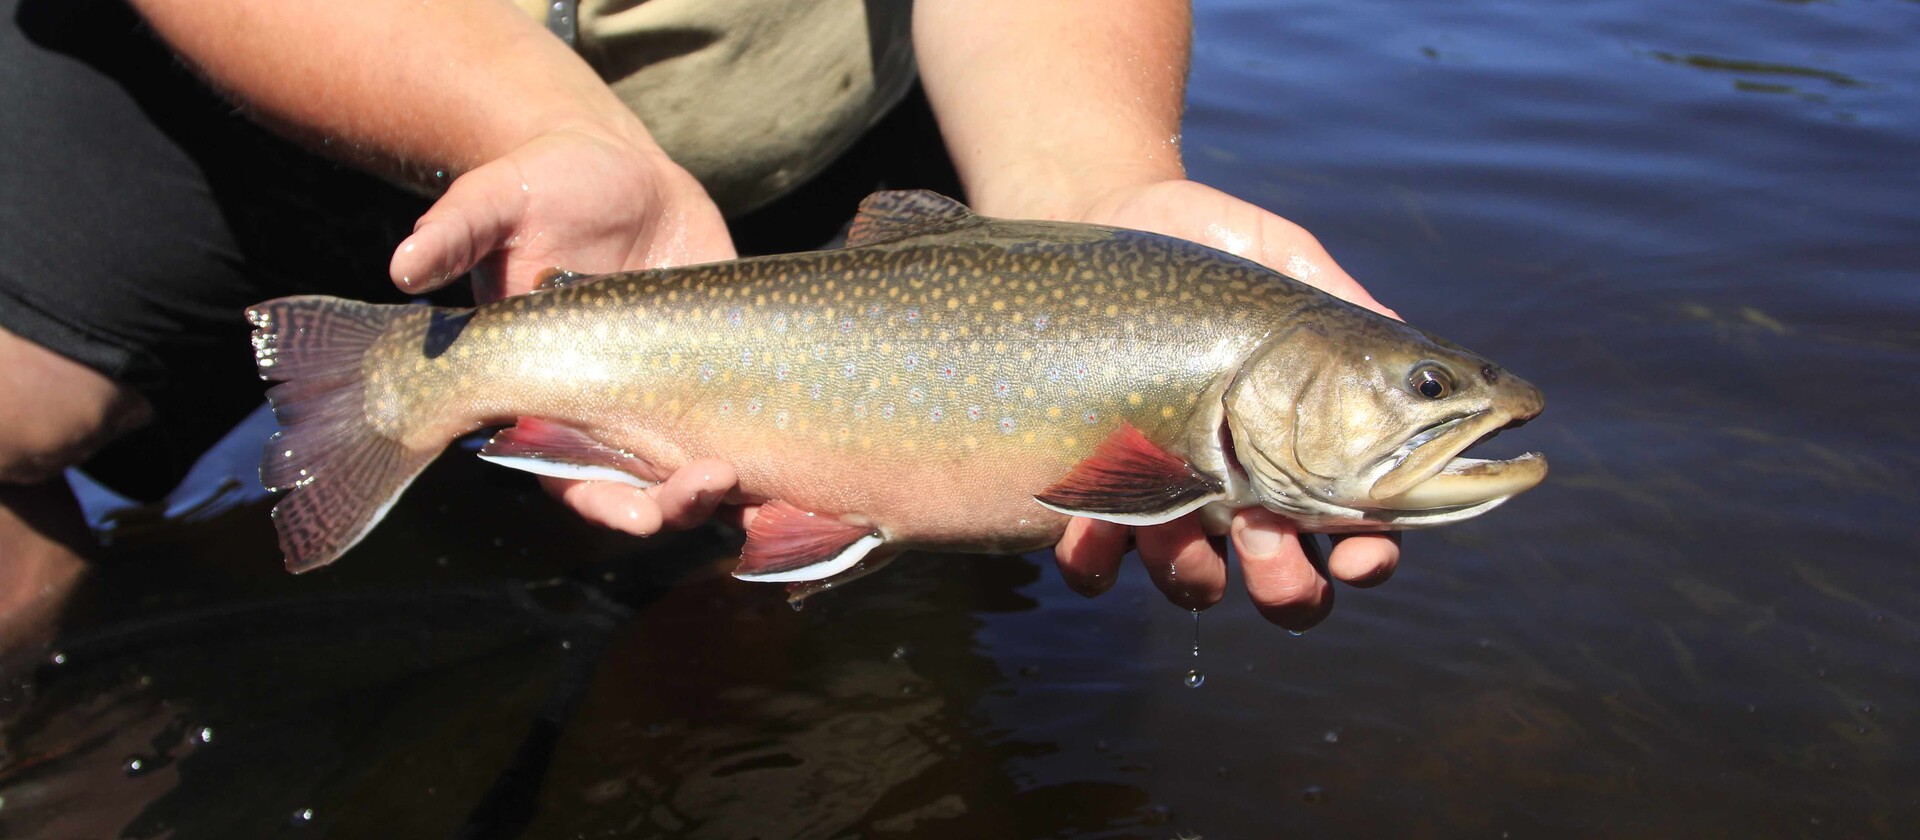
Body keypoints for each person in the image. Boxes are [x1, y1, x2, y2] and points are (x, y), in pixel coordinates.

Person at [0, 0, 1401, 643]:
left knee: (795, 607)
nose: (1437, 409)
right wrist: (534, 118)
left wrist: (1101, 192)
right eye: (1419, 390)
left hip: (839, 148)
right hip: (261, 54)